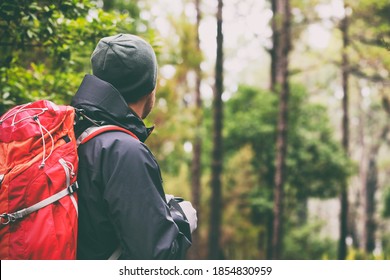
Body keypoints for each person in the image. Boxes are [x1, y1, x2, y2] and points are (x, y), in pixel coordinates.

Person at [71, 33, 197, 259]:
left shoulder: (74, 132)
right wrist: (182, 219)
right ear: (149, 87)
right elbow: (155, 261)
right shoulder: (124, 151)